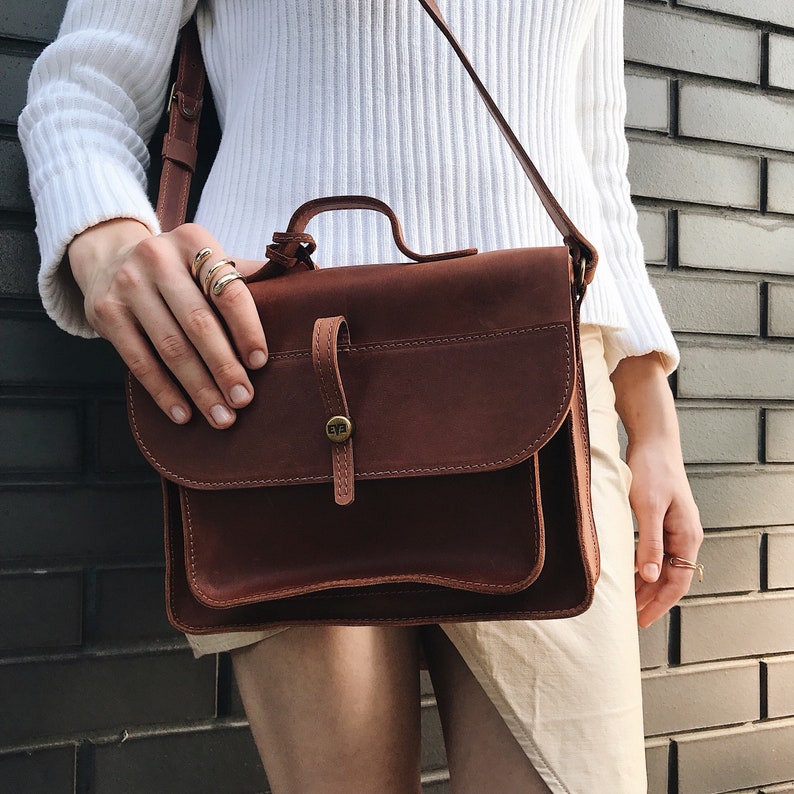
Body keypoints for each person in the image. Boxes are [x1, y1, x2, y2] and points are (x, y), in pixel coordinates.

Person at [20, 1, 703, 791]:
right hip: (272, 379)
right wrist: (109, 245)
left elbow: (590, 162)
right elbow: (82, 87)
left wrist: (651, 419)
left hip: (543, 381)